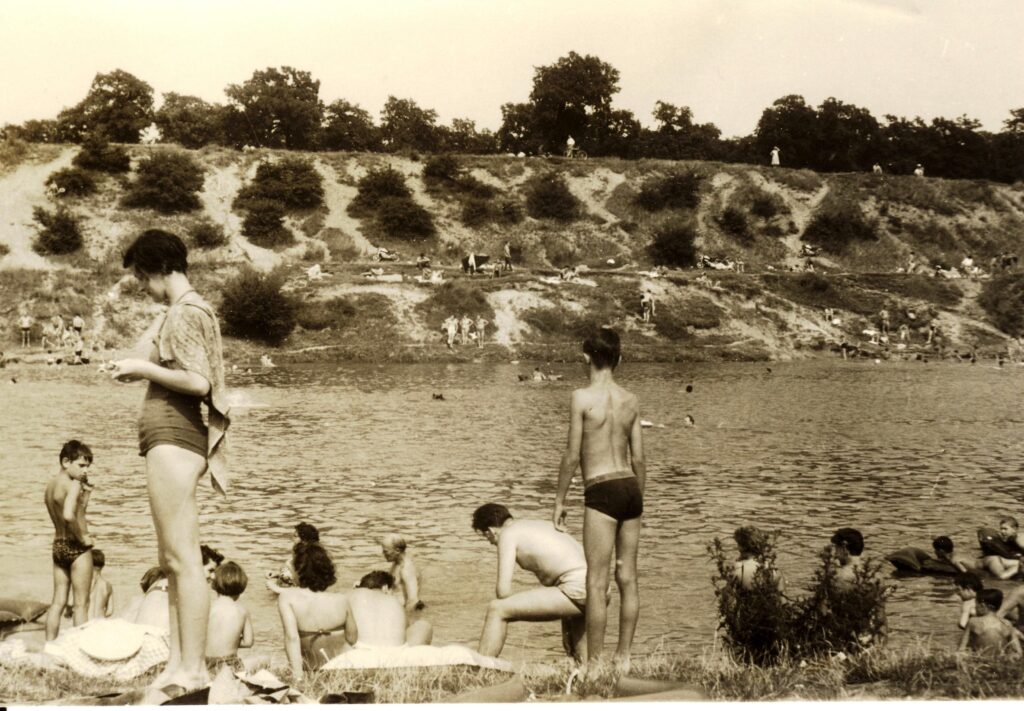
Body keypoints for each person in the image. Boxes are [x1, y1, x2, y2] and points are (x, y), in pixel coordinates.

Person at [110, 229, 230, 701]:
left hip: (175, 440)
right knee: (174, 561)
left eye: (143, 277)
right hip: (172, 439)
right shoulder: (183, 310)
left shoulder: (185, 311)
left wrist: (142, 370)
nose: (143, 286)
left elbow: (198, 382)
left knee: (184, 560)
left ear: (158, 269)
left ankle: (194, 669)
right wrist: (139, 360)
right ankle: (180, 664)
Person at [552, 327, 645, 672]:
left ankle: (594, 664)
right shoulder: (631, 400)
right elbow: (639, 459)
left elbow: (571, 456)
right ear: (619, 359)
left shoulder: (581, 397)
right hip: (630, 487)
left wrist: (559, 500)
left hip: (601, 488)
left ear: (586, 357)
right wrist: (639, 501)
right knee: (628, 577)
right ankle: (624, 658)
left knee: (596, 580)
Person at [472, 504, 591, 660]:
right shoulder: (538, 525)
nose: (490, 543)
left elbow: (503, 592)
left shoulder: (507, 534)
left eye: (486, 537)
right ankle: (589, 675)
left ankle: (480, 670)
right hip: (595, 588)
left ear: (491, 531)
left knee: (497, 609)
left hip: (576, 588)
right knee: (580, 659)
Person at [269, 541, 358, 680]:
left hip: (311, 671)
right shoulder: (342, 599)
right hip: (343, 669)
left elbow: (292, 638)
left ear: (299, 571)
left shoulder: (287, 597)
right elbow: (352, 639)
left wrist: (298, 677)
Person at [44, 440, 95, 641]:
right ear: (66, 462)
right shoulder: (73, 484)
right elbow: (68, 515)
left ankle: (49, 646)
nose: (85, 470)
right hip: (76, 547)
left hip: (58, 545)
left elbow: (72, 511)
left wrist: (86, 495)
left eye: (88, 466)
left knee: (58, 602)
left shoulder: (51, 485)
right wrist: (83, 538)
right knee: (82, 603)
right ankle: (80, 650)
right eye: (81, 465)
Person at [351, 571, 432, 646]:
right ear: (385, 588)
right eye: (393, 590)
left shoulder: (354, 596)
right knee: (423, 625)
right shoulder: (392, 601)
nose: (394, 594)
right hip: (392, 654)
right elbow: (405, 630)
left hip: (360, 651)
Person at [206, 562, 253, 672]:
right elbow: (248, 642)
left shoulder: (208, 608)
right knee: (264, 660)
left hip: (204, 663)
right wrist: (232, 640)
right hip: (228, 664)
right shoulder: (242, 610)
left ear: (215, 585)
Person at [958, 589, 1022, 656]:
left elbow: (961, 650)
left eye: (976, 604)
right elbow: (1018, 652)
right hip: (1001, 662)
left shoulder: (973, 621)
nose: (975, 607)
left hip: (980, 661)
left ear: (982, 605)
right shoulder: (1007, 624)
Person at [381, 534, 424, 612]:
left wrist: (405, 620)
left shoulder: (406, 569)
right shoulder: (396, 563)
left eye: (385, 551)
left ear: (397, 550)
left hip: (401, 612)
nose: (383, 554)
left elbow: (413, 600)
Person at [732, 526, 782, 591]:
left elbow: (727, 599)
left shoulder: (737, 568)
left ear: (740, 547)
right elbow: (783, 600)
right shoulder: (774, 570)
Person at [88, 549, 114, 620]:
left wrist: (68, 613)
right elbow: (110, 611)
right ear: (103, 565)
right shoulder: (108, 585)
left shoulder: (85, 583)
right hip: (100, 624)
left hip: (86, 623)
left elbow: (71, 603)